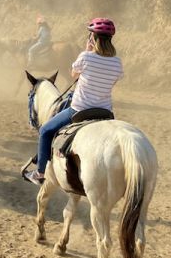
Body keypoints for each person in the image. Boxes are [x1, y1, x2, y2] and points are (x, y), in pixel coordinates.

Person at [24, 18, 122, 185]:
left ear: (92, 38)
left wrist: (87, 50)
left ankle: (39, 173)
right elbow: (110, 83)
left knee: (46, 131)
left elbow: (73, 75)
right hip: (106, 112)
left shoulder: (85, 57)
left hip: (79, 109)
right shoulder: (117, 63)